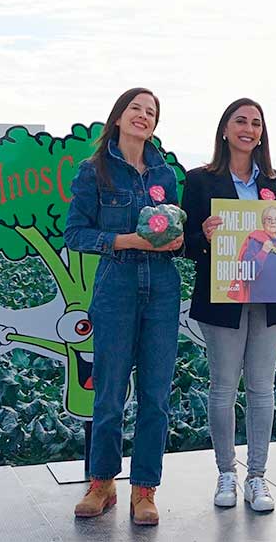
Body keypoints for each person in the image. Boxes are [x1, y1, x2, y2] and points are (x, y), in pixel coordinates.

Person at [65, 88, 184, 526]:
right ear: (118, 117)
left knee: (156, 394)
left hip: (163, 287)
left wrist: (177, 241)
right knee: (109, 391)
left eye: (151, 112)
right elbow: (75, 233)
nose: (143, 116)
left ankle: (144, 489)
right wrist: (125, 240)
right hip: (116, 283)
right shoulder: (94, 171)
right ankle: (101, 484)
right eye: (136, 108)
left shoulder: (165, 173)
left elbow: (176, 232)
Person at [181, 97, 276, 512]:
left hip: (270, 299)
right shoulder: (199, 180)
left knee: (263, 388)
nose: (248, 129)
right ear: (225, 129)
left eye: (255, 123)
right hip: (223, 298)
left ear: (262, 133)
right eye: (240, 121)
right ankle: (226, 472)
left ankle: (258, 476)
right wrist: (204, 236)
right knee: (223, 388)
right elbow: (184, 245)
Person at [230, 205, 276, 303]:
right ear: (263, 222)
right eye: (269, 219)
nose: (273, 222)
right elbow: (247, 274)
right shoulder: (254, 241)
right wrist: (263, 252)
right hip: (259, 301)